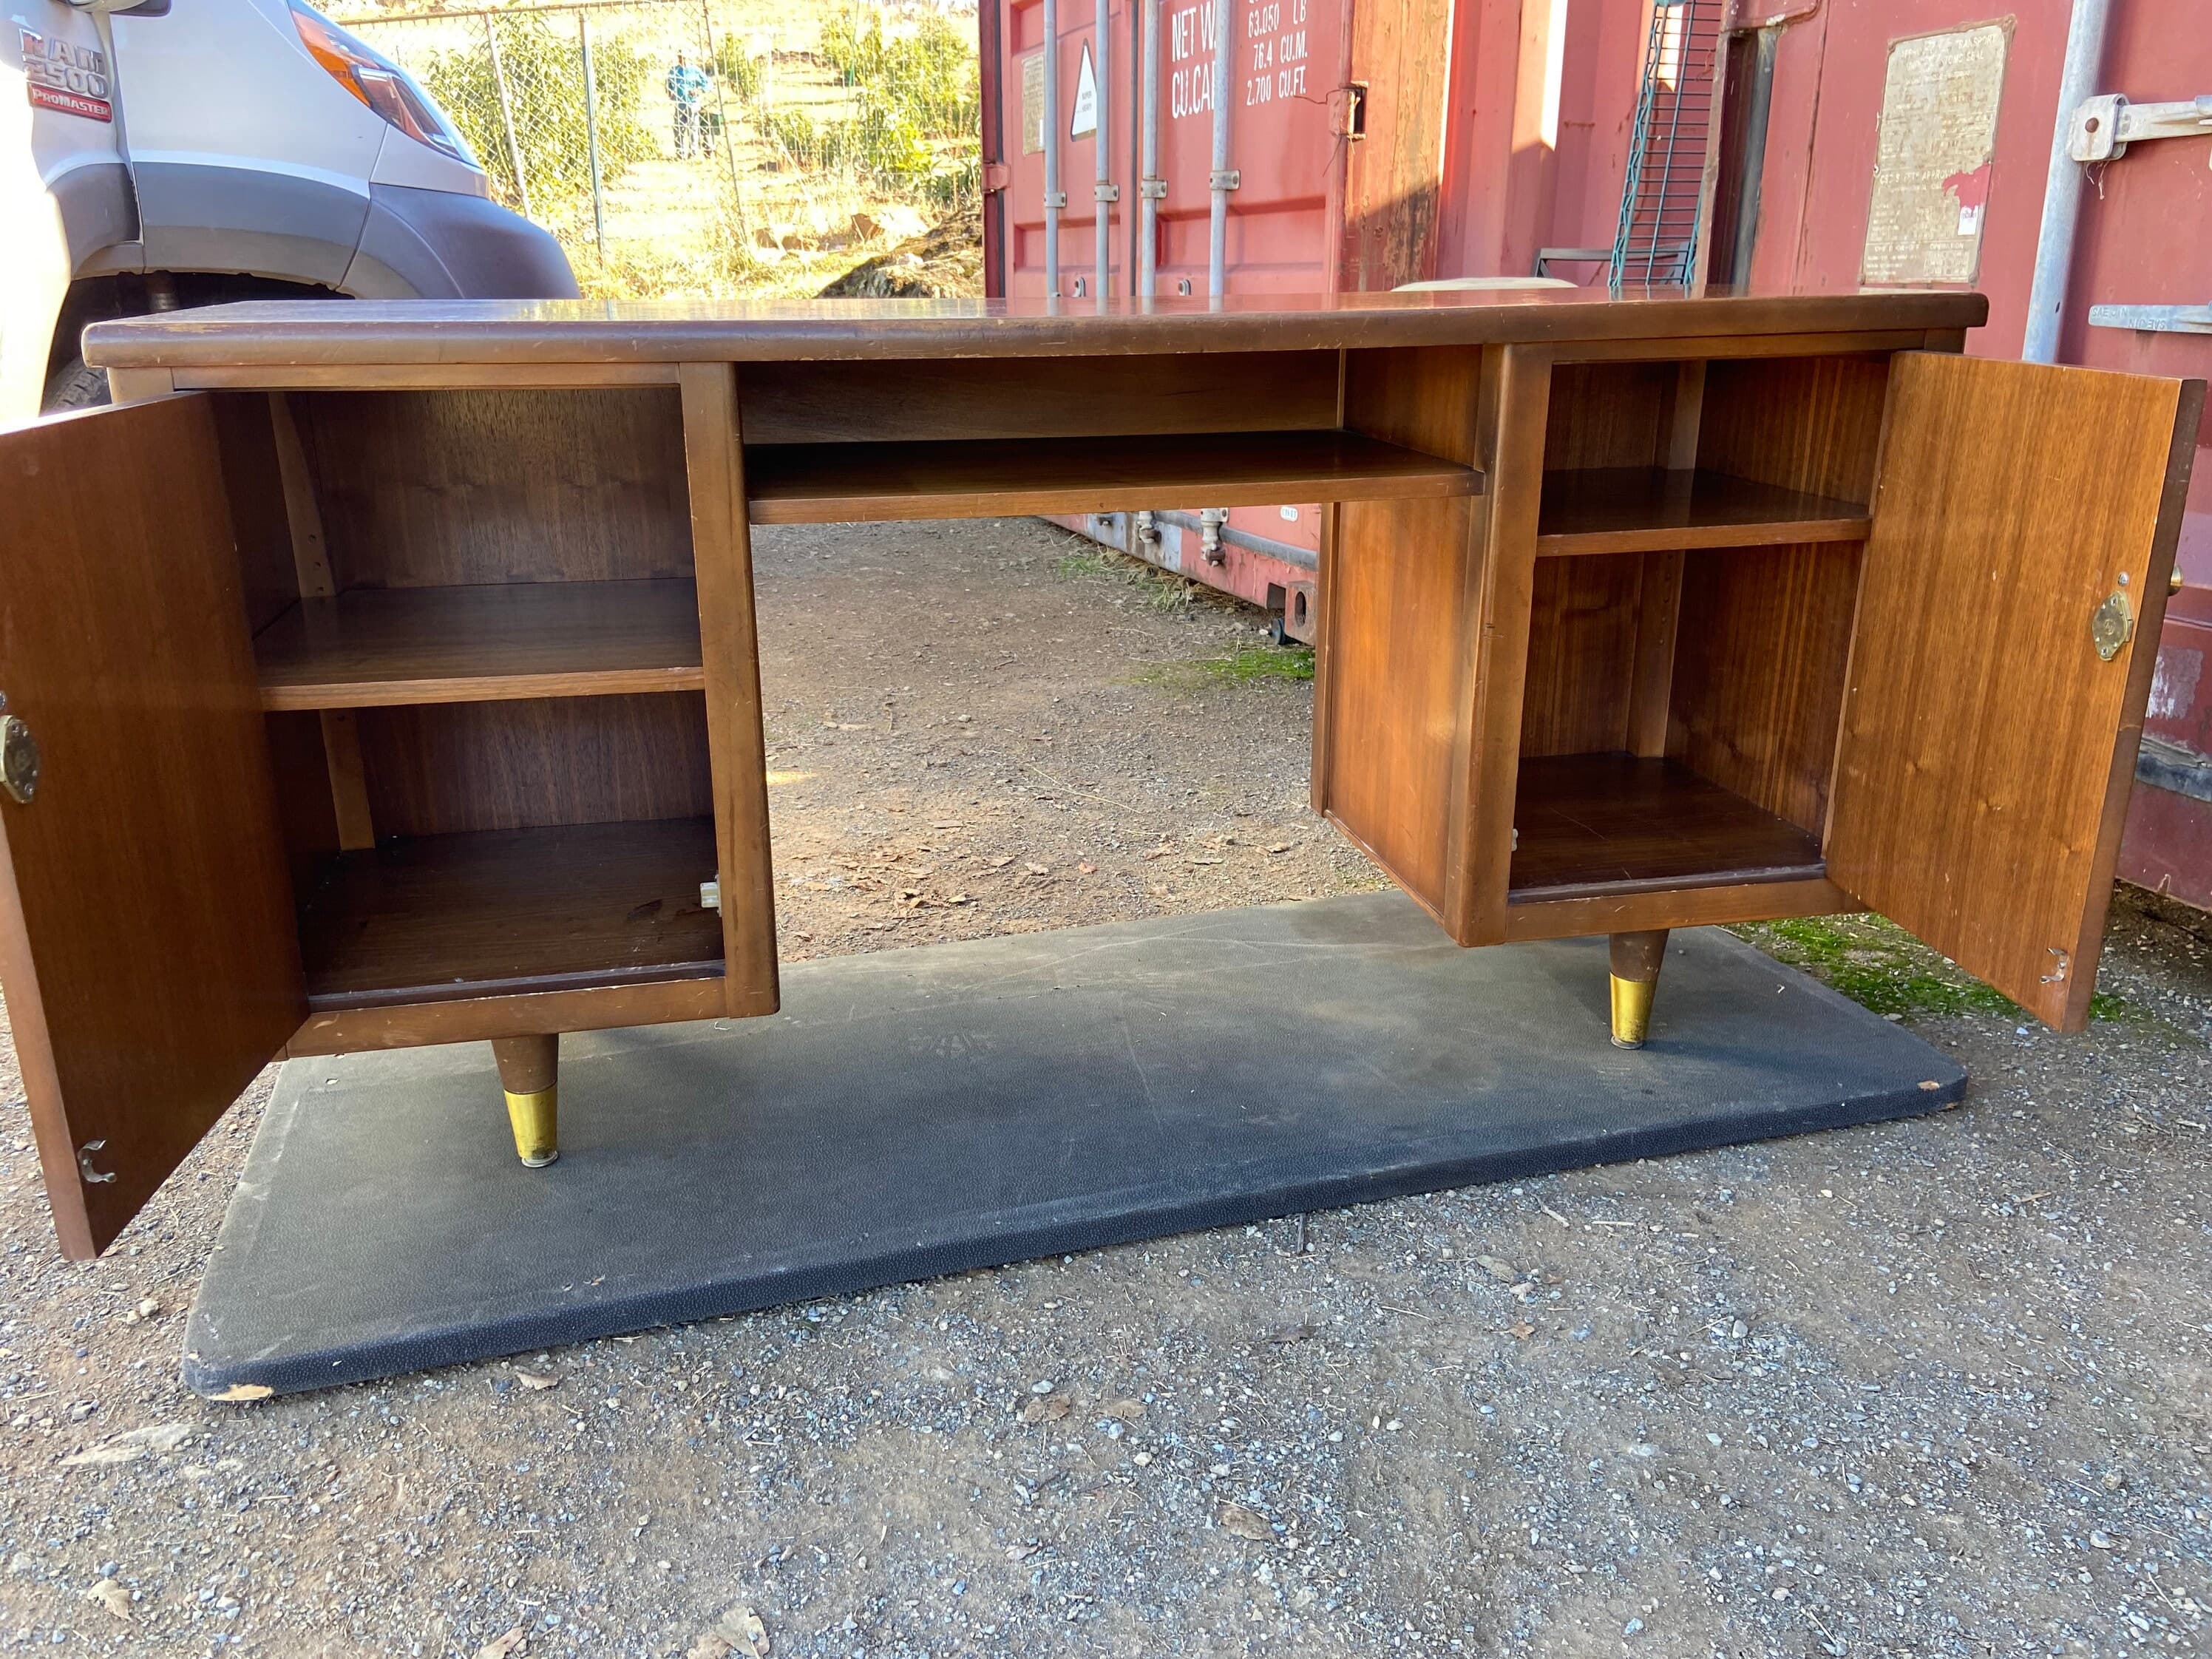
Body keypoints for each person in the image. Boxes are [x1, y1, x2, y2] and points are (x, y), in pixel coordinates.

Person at [665, 51, 708, 158]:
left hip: (692, 103)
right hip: (680, 103)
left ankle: (693, 152)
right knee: (678, 128)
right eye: (680, 57)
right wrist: (670, 92)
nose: (681, 60)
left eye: (683, 58)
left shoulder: (694, 70)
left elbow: (707, 83)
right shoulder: (674, 71)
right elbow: (668, 83)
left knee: (693, 128)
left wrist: (699, 90)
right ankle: (680, 153)